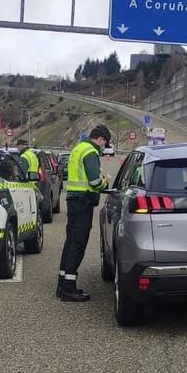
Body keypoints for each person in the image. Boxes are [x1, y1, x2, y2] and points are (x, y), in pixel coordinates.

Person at [56, 125, 112, 302]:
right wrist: (106, 183)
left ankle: (62, 283)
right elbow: (95, 182)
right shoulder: (90, 151)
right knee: (78, 244)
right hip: (83, 202)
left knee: (71, 242)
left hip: (73, 201)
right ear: (101, 139)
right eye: (105, 144)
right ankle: (69, 288)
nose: (104, 147)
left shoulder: (78, 148)